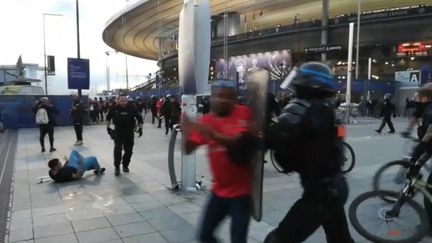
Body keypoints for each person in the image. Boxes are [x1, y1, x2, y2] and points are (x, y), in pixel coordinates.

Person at [264, 62, 354, 243]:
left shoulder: (299, 108)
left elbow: (274, 137)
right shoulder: (332, 111)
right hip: (337, 186)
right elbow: (336, 143)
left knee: (278, 240)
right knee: (340, 239)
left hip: (319, 195)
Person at [182, 80, 256, 243]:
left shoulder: (244, 113)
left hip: (242, 194)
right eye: (220, 96)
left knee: (238, 239)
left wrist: (214, 135)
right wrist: (186, 133)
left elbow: (240, 144)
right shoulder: (206, 121)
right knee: (204, 236)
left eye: (229, 97)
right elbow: (188, 149)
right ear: (212, 97)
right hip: (218, 192)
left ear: (235, 98)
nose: (224, 100)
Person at [106, 94, 144, 176]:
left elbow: (140, 118)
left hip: (129, 132)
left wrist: (141, 128)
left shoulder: (132, 108)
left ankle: (125, 165)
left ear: (127, 100)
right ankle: (117, 167)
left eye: (125, 100)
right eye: (121, 100)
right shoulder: (114, 108)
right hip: (118, 133)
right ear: (118, 100)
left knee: (129, 151)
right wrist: (108, 128)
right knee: (117, 150)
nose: (123, 102)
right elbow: (108, 118)